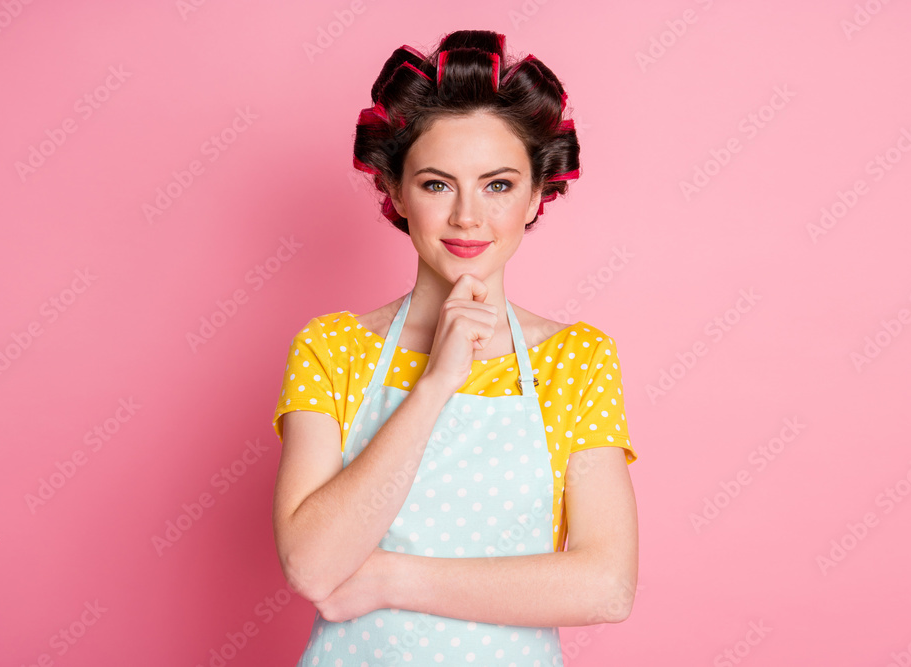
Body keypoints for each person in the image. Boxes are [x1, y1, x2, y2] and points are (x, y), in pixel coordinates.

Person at [271, 29, 638, 666]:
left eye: (497, 185)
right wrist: (436, 382)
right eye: (438, 184)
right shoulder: (332, 348)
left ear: (534, 197)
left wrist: (391, 578)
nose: (468, 217)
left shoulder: (575, 359)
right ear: (395, 192)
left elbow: (605, 586)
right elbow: (312, 565)